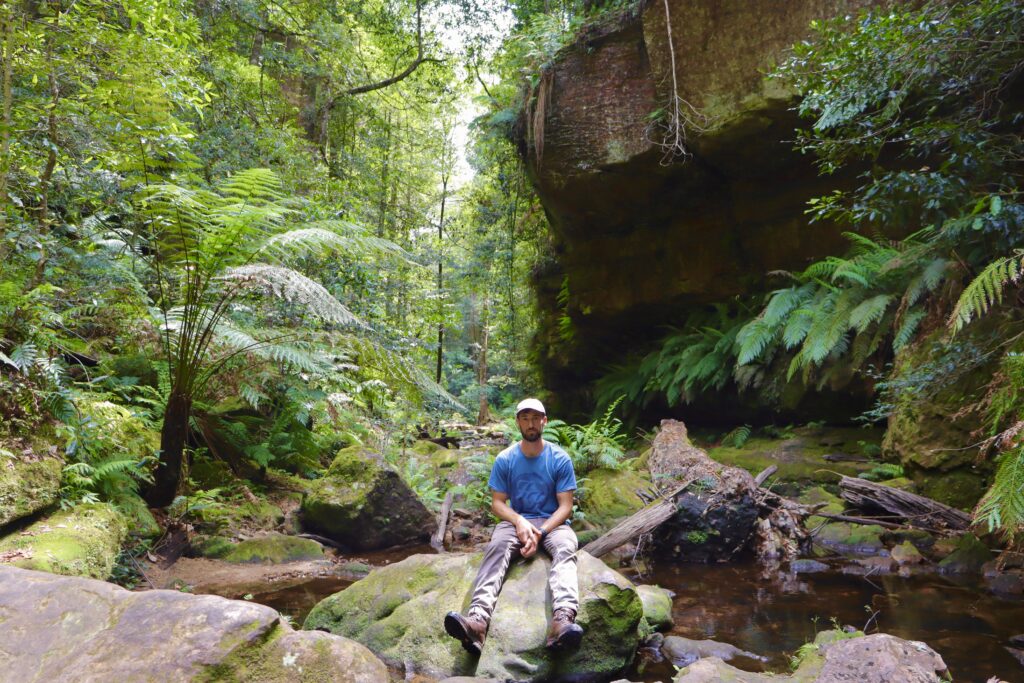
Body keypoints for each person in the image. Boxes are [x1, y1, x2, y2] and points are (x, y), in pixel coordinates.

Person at [443, 398, 583, 655]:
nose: (531, 424)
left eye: (535, 418)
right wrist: (519, 522)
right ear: (518, 422)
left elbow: (565, 506)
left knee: (566, 546)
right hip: (516, 520)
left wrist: (539, 533)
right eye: (525, 418)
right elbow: (498, 503)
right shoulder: (506, 459)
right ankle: (477, 623)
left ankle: (562, 622)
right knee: (497, 546)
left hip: (551, 522)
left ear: (544, 421)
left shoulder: (559, 458)